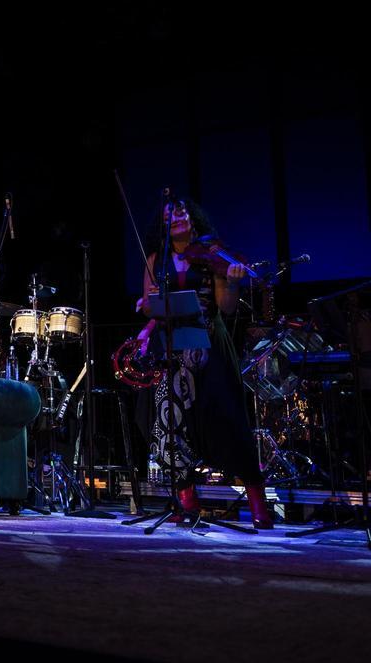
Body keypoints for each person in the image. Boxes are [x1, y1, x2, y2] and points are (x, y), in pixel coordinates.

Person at [135, 198, 273, 528]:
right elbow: (152, 308)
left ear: (193, 217)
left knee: (227, 416)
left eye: (181, 210)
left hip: (209, 339)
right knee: (163, 418)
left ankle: (256, 497)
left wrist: (233, 279)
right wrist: (147, 312)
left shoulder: (213, 254)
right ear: (164, 225)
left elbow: (226, 308)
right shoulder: (156, 259)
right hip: (170, 346)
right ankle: (186, 499)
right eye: (169, 213)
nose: (177, 216)